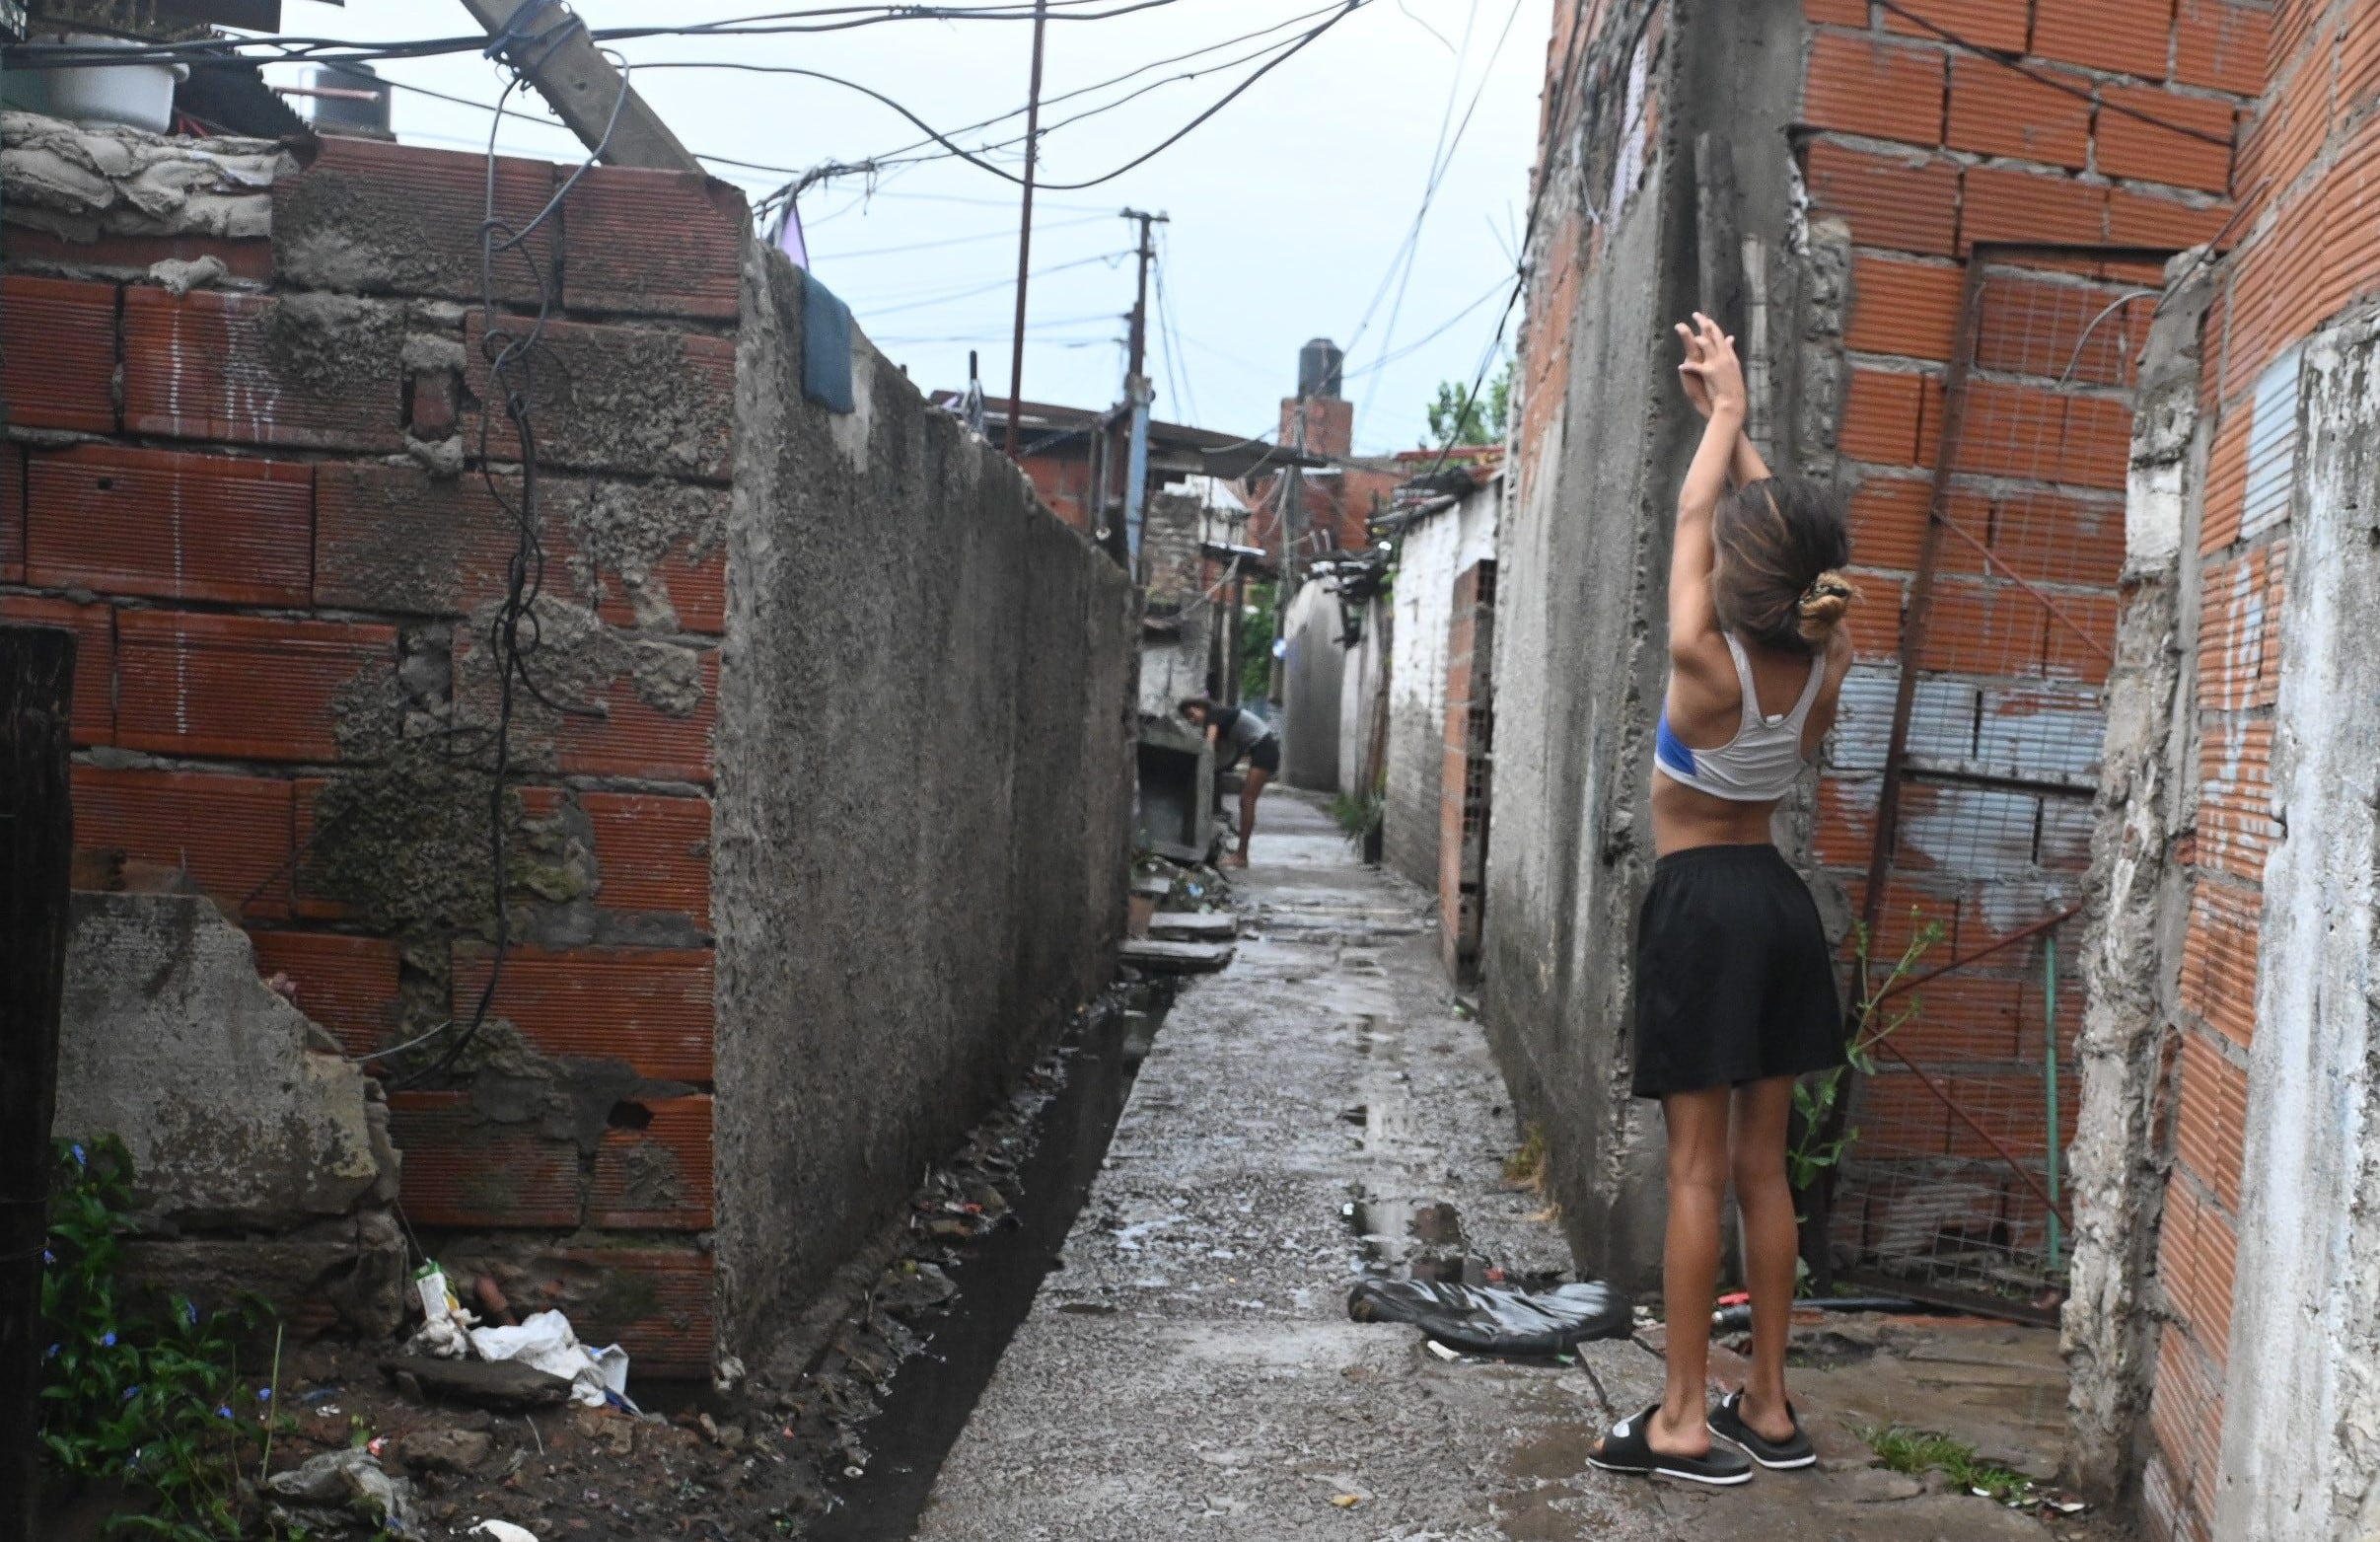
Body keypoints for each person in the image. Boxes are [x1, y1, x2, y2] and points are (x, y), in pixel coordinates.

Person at [1587, 314, 1858, 1487]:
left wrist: (1727, 422)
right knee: (1762, 1172)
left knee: (1695, 1175)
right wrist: (1739, 436)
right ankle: (1773, 1407)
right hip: (1780, 905)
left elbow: (1702, 525)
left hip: (1700, 904)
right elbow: (1777, 548)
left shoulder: (1706, 659)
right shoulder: (1824, 662)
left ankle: (1685, 1421)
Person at [1179, 697, 1278, 868]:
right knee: (1246, 800)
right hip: (1263, 748)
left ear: (1200, 707)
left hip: (1264, 749)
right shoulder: (1222, 717)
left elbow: (1208, 747)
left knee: (1247, 800)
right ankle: (1241, 853)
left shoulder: (1214, 715)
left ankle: (1241, 856)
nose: (1192, 720)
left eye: (1191, 714)